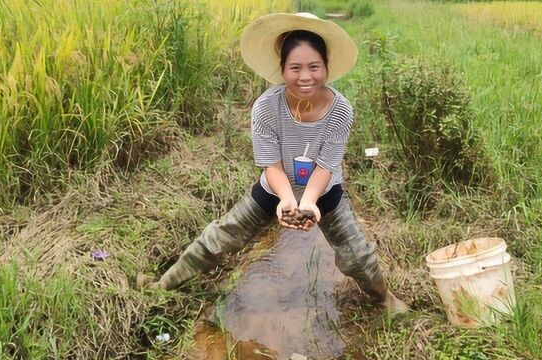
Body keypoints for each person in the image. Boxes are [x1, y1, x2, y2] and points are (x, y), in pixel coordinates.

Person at [137, 12, 407, 314]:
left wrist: (310, 203)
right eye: (295, 68)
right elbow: (272, 165)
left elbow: (326, 166)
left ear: (326, 67)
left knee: (358, 255)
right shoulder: (266, 106)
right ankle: (163, 285)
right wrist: (287, 201)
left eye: (314, 67)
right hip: (274, 188)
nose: (305, 77)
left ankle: (385, 300)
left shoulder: (340, 109)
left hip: (324, 190)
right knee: (221, 236)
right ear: (282, 69)